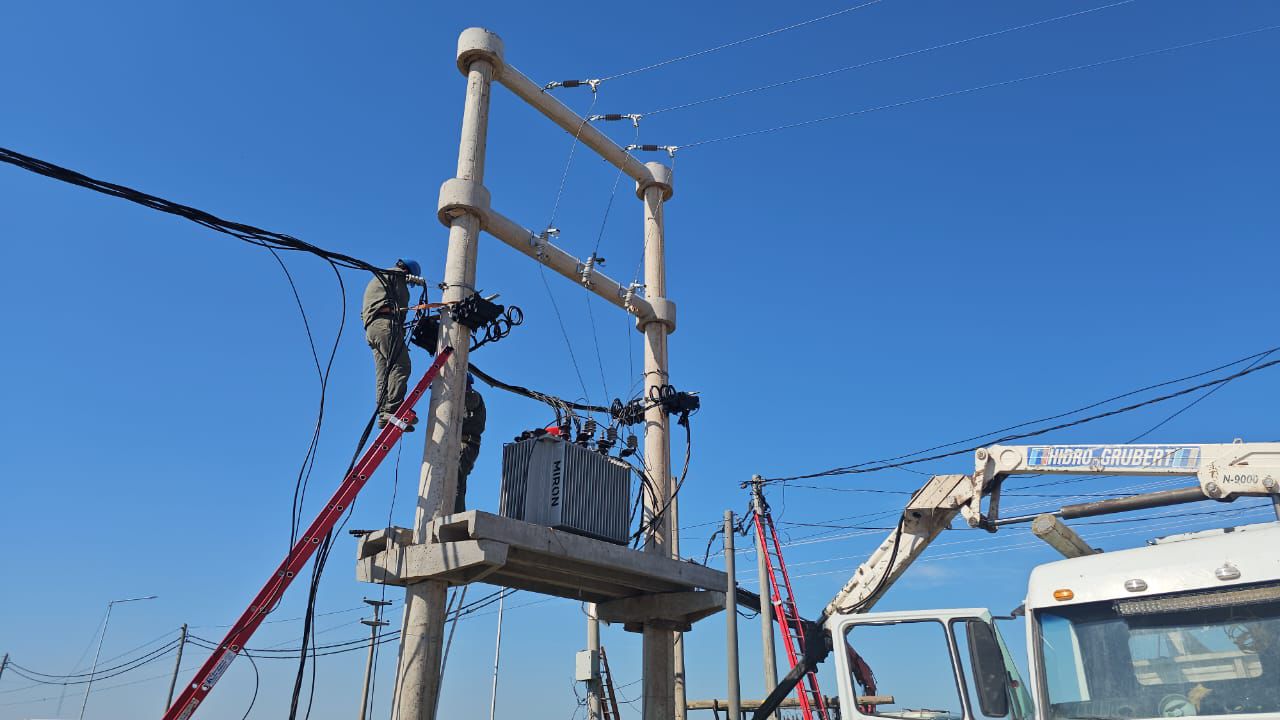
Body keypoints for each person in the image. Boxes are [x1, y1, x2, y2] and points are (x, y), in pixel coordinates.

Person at [363, 259, 417, 430]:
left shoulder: (379, 277)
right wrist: (398, 329)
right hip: (386, 324)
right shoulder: (398, 275)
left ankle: (383, 414)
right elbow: (402, 302)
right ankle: (394, 409)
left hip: (372, 329)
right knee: (401, 365)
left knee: (384, 372)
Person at [455, 374, 486, 513]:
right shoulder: (464, 396)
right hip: (461, 444)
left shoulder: (473, 396)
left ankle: (454, 514)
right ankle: (455, 512)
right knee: (456, 482)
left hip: (466, 444)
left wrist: (450, 391)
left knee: (455, 482)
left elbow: (468, 401)